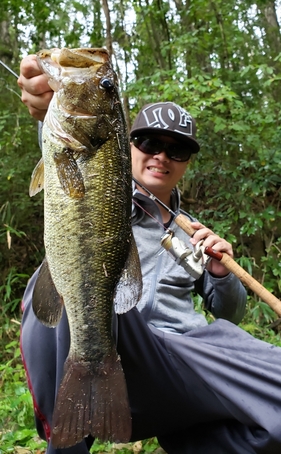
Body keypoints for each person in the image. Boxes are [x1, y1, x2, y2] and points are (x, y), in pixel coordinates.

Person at [18, 55, 281, 454]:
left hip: (185, 356)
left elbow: (229, 313)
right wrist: (46, 106)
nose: (161, 156)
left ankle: (197, 437)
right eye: (150, 142)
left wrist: (219, 272)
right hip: (121, 338)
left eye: (176, 151)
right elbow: (68, 150)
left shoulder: (193, 231)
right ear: (127, 144)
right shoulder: (99, 190)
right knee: (77, 278)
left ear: (187, 164)